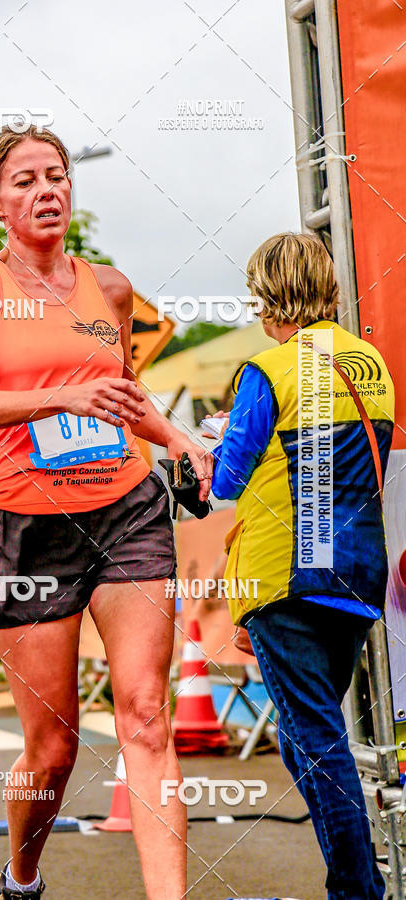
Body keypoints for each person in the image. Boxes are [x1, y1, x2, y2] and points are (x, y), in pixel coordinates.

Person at [0, 125, 212, 900]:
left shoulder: (111, 289)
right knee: (52, 749)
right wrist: (63, 393)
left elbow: (121, 395)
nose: (46, 190)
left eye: (56, 176)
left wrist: (178, 439)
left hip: (126, 509)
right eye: (24, 181)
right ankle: (22, 875)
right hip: (27, 527)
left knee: (146, 715)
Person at [206, 233, 393, 900]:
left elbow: (225, 481)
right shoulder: (370, 362)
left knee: (315, 738)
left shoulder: (270, 369)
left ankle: (355, 891)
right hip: (355, 574)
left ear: (269, 297)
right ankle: (357, 877)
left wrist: (218, 440)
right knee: (302, 735)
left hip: (285, 574)